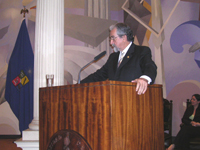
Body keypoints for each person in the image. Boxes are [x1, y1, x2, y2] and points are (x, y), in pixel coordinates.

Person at [80, 23, 157, 95]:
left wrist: (144, 79)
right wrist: (79, 85)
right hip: (115, 101)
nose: (111, 43)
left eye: (113, 38)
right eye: (110, 39)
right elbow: (98, 76)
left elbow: (150, 67)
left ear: (123, 38)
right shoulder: (113, 57)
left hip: (133, 100)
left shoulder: (141, 51)